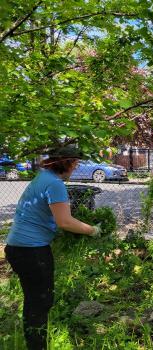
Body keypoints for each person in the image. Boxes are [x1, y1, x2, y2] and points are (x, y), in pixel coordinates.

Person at [4, 146, 102, 350]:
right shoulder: (55, 184)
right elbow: (65, 222)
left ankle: (34, 341)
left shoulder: (43, 177)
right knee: (40, 301)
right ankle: (37, 345)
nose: (75, 168)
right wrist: (92, 230)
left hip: (18, 247)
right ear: (65, 163)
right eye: (74, 163)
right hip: (32, 252)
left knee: (34, 299)